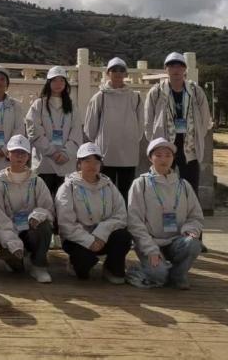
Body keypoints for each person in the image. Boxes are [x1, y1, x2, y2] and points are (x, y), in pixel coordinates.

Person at [127, 137, 204, 289]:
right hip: (150, 242)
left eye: (168, 155)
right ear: (150, 158)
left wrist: (190, 230)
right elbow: (134, 221)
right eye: (158, 155)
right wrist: (150, 249)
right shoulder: (140, 184)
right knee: (159, 275)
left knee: (194, 244)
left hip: (176, 241)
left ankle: (177, 275)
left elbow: (195, 216)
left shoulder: (184, 185)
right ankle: (137, 271)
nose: (164, 159)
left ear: (173, 158)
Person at [55, 142, 131, 284]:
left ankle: (111, 267)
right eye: (87, 161)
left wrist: (102, 233)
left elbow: (120, 215)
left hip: (103, 237)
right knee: (83, 265)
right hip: (78, 239)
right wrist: (89, 240)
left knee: (123, 236)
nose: (92, 165)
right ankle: (74, 262)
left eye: (96, 161)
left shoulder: (108, 185)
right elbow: (66, 224)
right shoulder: (68, 187)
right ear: (79, 164)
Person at [144, 52, 212, 197]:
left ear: (184, 69)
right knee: (162, 185)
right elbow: (148, 120)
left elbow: (205, 116)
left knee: (190, 188)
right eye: (172, 66)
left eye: (179, 66)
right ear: (166, 69)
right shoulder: (157, 91)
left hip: (189, 147)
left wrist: (198, 135)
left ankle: (190, 211)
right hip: (165, 146)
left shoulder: (195, 91)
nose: (176, 69)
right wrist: (155, 143)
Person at [0, 134, 55, 283]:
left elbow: (47, 208)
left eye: (23, 153)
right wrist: (13, 243)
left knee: (44, 225)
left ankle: (38, 266)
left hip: (31, 229)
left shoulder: (37, 181)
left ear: (28, 156)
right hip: (8, 231)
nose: (19, 156)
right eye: (15, 152)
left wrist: (37, 216)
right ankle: (14, 258)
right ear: (8, 154)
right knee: (16, 269)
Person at [83, 57, 144, 202]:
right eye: (114, 70)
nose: (118, 73)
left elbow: (141, 125)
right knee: (104, 192)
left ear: (126, 74)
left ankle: (124, 217)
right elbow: (90, 127)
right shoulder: (100, 97)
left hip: (128, 155)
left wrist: (131, 140)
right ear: (108, 73)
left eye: (121, 70)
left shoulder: (135, 97)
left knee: (126, 193)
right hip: (105, 155)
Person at [26, 65, 82, 198]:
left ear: (66, 83)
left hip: (66, 163)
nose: (58, 84)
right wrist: (52, 152)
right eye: (54, 80)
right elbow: (34, 131)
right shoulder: (39, 105)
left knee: (64, 201)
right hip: (44, 163)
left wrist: (66, 153)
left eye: (61, 80)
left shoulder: (72, 106)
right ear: (48, 83)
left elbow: (76, 133)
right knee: (43, 201)